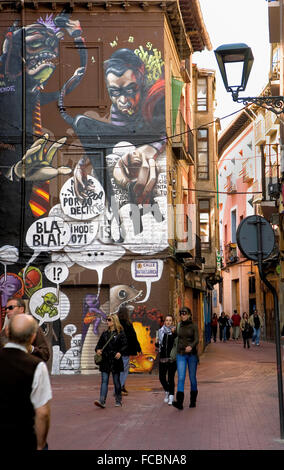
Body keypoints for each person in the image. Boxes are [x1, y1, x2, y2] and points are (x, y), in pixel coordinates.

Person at [0, 313, 52, 450]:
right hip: (23, 437)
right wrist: (40, 445)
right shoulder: (36, 366)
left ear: (7, 331)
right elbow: (42, 413)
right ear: (33, 336)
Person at [0, 297, 50, 362]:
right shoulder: (5, 331)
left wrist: (31, 349)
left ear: (21, 309)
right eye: (6, 308)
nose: (7, 311)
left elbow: (45, 354)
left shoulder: (32, 327)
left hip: (28, 368)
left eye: (11, 308)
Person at [94, 313, 128, 408]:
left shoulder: (120, 333)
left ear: (114, 322)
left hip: (115, 360)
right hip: (105, 360)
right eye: (107, 320)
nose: (107, 322)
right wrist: (98, 350)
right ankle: (102, 400)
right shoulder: (105, 334)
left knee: (116, 381)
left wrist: (120, 352)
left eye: (109, 320)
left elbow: (125, 345)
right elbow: (98, 345)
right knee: (104, 381)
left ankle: (118, 400)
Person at [172, 307, 199, 410]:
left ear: (189, 314)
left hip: (192, 355)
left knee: (192, 377)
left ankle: (193, 401)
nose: (183, 315)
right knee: (181, 377)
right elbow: (175, 337)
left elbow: (196, 339)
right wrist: (173, 332)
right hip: (181, 354)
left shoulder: (193, 326)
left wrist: (191, 346)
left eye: (185, 313)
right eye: (181, 313)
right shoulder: (179, 326)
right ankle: (179, 402)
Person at [117, 305, 142, 396]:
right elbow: (133, 337)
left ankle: (121, 386)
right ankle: (119, 387)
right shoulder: (128, 324)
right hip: (125, 351)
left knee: (118, 370)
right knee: (124, 369)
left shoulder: (116, 324)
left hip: (116, 351)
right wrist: (138, 348)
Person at [155, 314, 177, 405]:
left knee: (171, 378)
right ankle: (167, 391)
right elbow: (158, 346)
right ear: (164, 322)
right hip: (163, 358)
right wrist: (156, 343)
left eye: (170, 320)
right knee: (161, 378)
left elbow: (176, 344)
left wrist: (174, 334)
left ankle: (171, 396)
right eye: (167, 320)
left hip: (172, 359)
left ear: (172, 322)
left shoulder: (175, 332)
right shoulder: (160, 331)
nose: (168, 322)